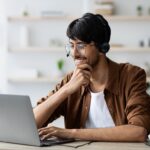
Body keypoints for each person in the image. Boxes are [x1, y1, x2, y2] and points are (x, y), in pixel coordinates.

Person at [33, 13, 150, 142]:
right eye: (71, 45)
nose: (74, 53)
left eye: (81, 46)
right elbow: (31, 123)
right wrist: (66, 90)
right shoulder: (71, 80)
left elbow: (138, 132)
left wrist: (71, 133)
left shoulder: (130, 76)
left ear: (102, 47)